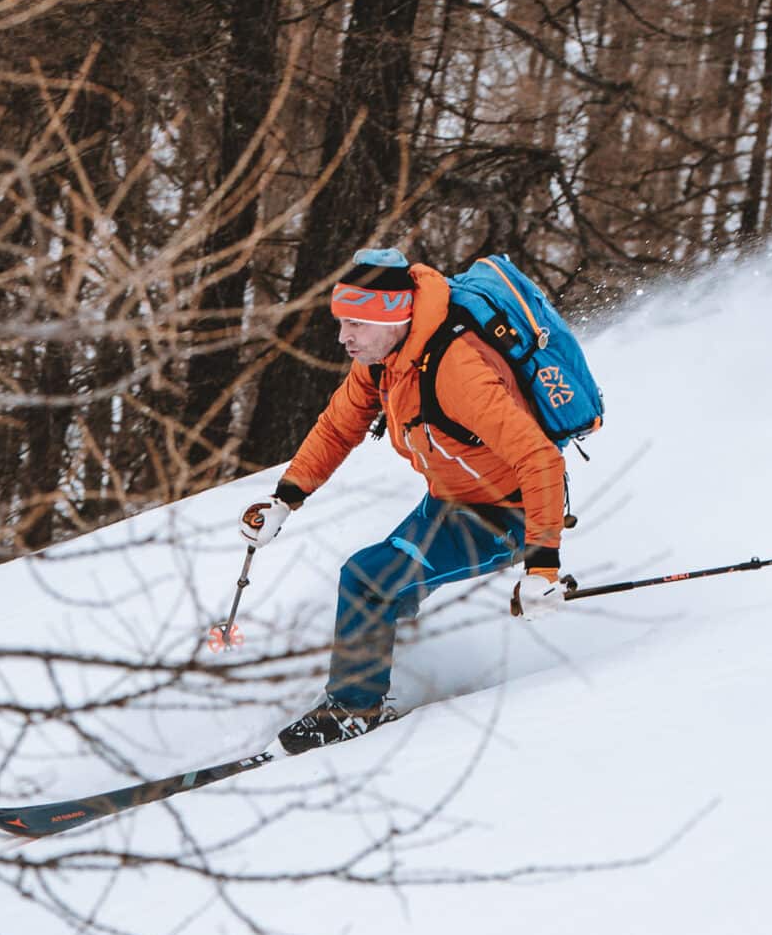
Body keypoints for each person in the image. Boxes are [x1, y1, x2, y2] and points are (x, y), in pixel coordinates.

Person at [240, 247, 570, 752]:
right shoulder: (385, 360)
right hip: (450, 498)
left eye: (356, 323)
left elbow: (541, 459)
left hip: (506, 512)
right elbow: (337, 427)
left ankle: (355, 712)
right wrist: (286, 497)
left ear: (393, 315)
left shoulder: (456, 369)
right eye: (342, 322)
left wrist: (543, 567)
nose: (343, 337)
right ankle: (368, 672)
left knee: (368, 579)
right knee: (379, 588)